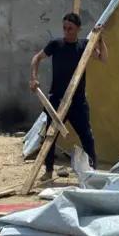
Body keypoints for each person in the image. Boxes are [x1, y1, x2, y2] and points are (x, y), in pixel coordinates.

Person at [29, 12, 108, 181]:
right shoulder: (56, 45)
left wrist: (100, 38)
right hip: (57, 99)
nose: (67, 31)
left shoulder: (84, 46)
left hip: (77, 101)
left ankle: (92, 170)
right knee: (51, 135)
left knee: (86, 136)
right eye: (64, 28)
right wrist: (34, 78)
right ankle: (48, 171)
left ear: (78, 29)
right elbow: (36, 58)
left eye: (70, 28)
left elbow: (103, 58)